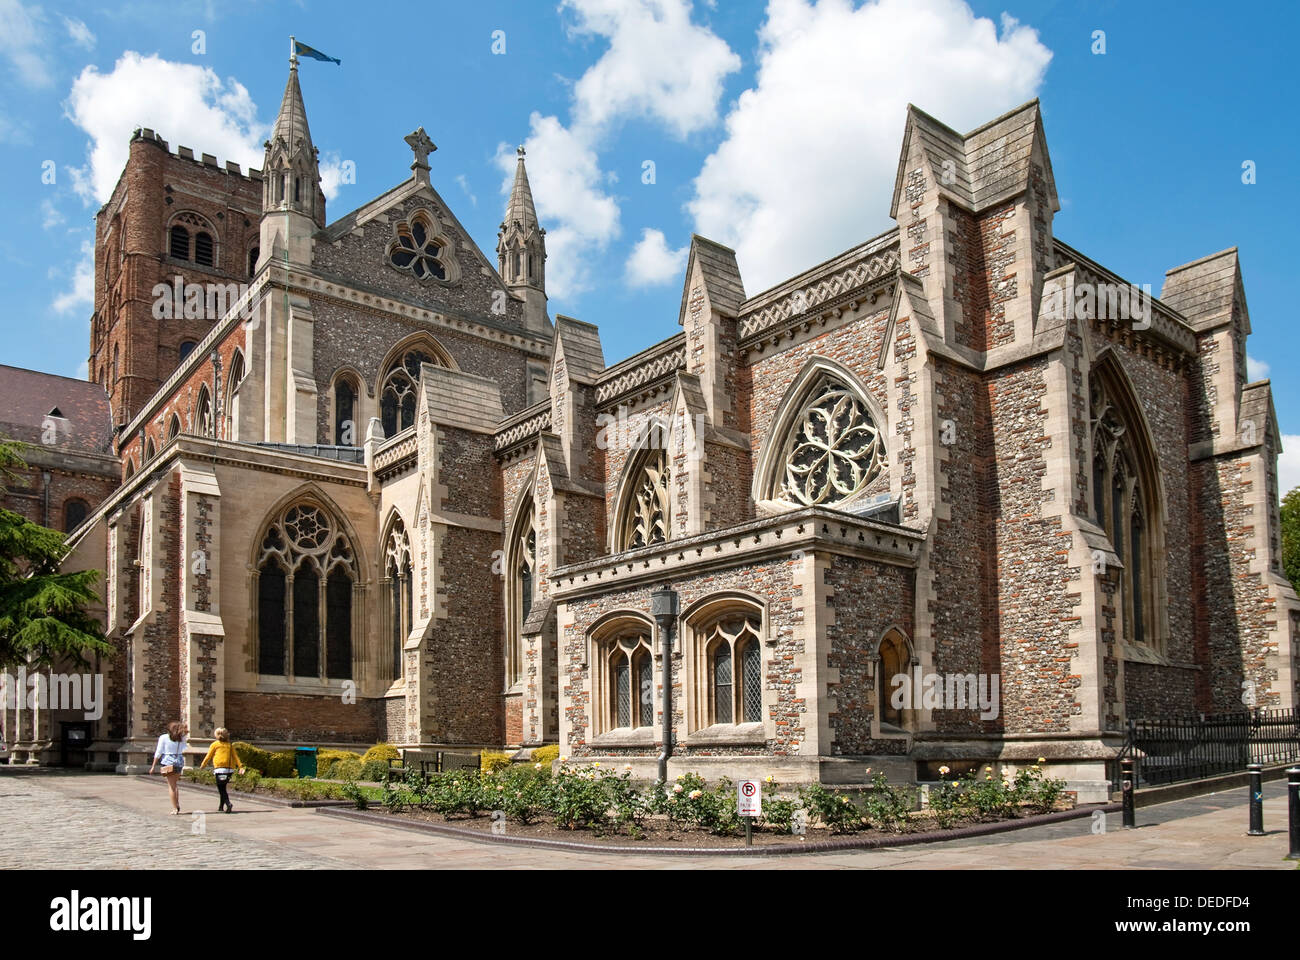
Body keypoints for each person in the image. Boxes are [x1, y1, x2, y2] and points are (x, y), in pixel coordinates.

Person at [198, 728, 246, 813]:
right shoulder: (230, 745)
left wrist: (202, 765)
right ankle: (221, 806)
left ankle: (228, 804)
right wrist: (240, 767)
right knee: (223, 787)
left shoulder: (215, 744)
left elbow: (208, 756)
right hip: (229, 770)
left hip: (219, 769)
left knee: (221, 789)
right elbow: (235, 757)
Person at [148, 721, 188, 814]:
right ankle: (176, 804)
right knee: (175, 784)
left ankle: (174, 808)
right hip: (179, 760)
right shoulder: (181, 738)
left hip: (168, 760)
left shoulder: (163, 737)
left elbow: (159, 752)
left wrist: (153, 766)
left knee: (171, 786)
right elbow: (185, 746)